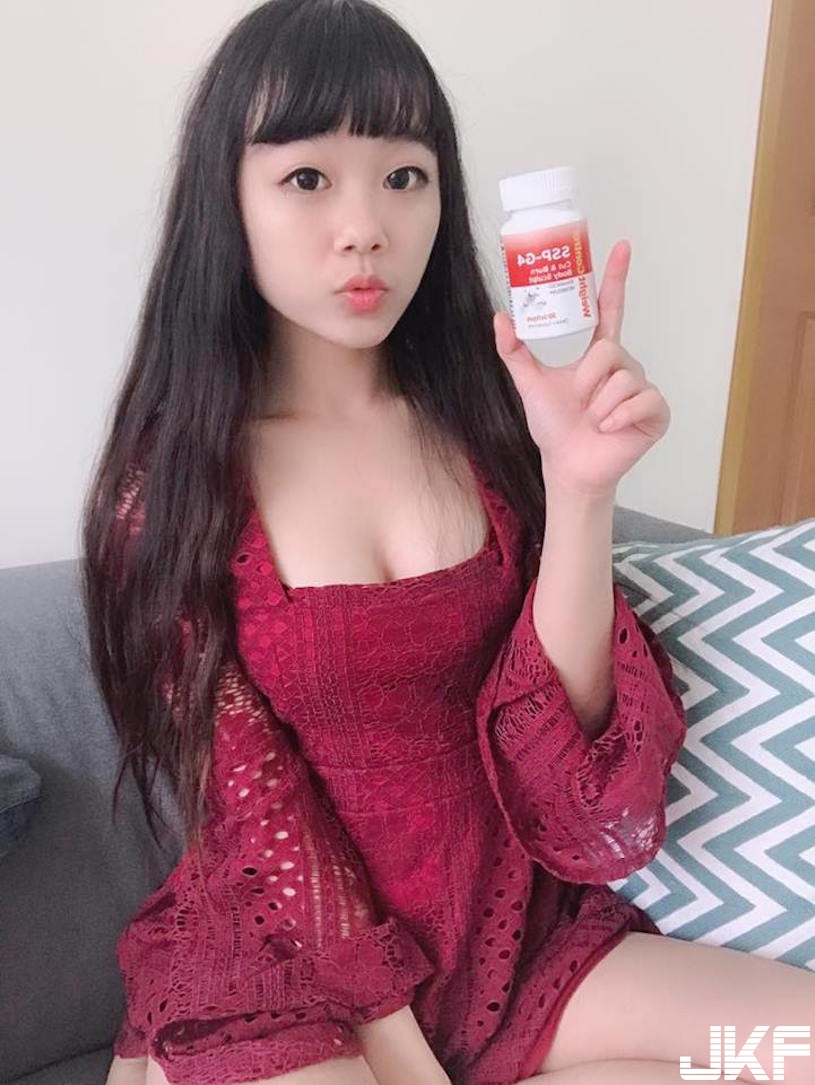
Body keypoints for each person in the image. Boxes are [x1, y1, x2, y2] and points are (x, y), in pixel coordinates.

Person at [84, 2, 814, 1084]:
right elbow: (253, 813)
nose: (364, 227)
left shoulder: (482, 425)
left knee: (793, 1044)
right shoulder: (172, 490)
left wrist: (578, 486)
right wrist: (406, 1057)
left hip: (514, 939)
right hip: (293, 966)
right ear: (223, 198)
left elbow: (557, 749)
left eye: (404, 175)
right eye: (306, 178)